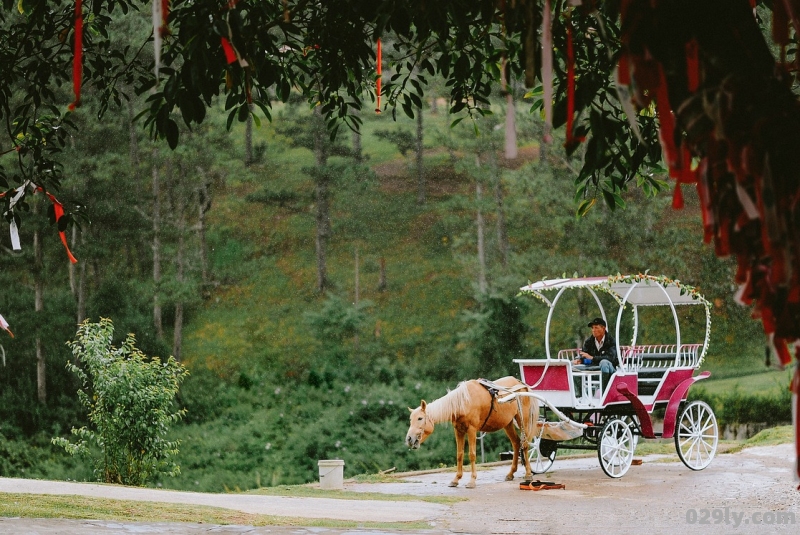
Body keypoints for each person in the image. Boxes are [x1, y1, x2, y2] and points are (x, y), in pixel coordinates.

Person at [572, 317, 618, 386]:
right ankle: (579, 395)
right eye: (592, 328)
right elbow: (586, 357)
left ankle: (604, 392)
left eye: (596, 327)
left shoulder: (611, 341)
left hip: (610, 370)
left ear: (603, 328)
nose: (593, 330)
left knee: (604, 362)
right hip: (593, 369)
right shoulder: (588, 342)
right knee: (573, 366)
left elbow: (611, 358)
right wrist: (581, 360)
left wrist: (592, 358)